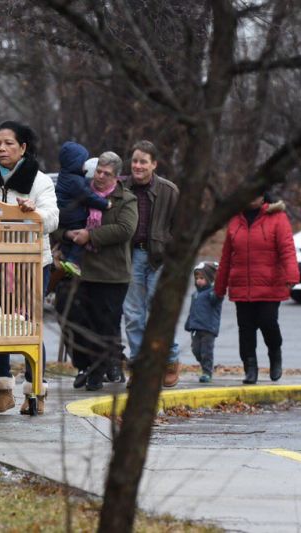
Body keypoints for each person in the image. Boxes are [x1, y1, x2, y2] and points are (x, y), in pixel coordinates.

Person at [0, 120, 59, 414]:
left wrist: (34, 214)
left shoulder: (40, 181)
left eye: (8, 143)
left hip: (32, 263)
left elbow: (53, 217)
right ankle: (2, 390)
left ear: (23, 148)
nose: (2, 149)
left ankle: (36, 391)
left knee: (29, 325)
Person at [53, 151, 138, 390]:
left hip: (111, 273)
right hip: (77, 269)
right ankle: (84, 364)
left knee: (105, 324)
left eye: (107, 174)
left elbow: (125, 229)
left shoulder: (125, 199)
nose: (100, 176)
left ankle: (99, 370)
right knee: (67, 313)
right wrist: (68, 234)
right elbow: (57, 222)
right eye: (98, 171)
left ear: (116, 176)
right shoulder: (80, 192)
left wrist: (90, 235)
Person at [213, 192, 300, 385]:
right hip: (241, 285)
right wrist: (219, 286)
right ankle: (250, 368)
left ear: (264, 196)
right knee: (246, 329)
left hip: (269, 284)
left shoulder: (277, 217)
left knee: (268, 322)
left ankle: (275, 354)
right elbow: (226, 256)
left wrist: (292, 275)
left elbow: (287, 248)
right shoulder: (236, 220)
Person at [122, 140, 181, 387]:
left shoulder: (169, 191)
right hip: (130, 256)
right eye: (135, 161)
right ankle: (138, 365)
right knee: (133, 313)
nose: (138, 166)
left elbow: (180, 228)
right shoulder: (122, 188)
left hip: (159, 257)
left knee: (157, 311)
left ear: (154, 165)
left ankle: (170, 359)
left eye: (143, 161)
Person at [55, 141, 110, 275]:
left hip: (62, 213)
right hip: (72, 215)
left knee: (70, 238)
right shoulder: (75, 181)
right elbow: (88, 196)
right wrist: (105, 203)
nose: (85, 165)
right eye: (83, 161)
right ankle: (73, 262)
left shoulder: (65, 175)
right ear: (75, 162)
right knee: (82, 232)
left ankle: (65, 258)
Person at [184, 261, 223, 383]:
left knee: (206, 351)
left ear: (210, 278)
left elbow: (217, 297)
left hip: (208, 328)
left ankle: (207, 372)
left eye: (202, 278)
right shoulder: (195, 294)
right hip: (195, 328)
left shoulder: (213, 293)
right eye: (197, 278)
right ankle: (205, 365)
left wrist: (218, 287)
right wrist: (189, 323)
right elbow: (192, 311)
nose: (198, 280)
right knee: (196, 350)